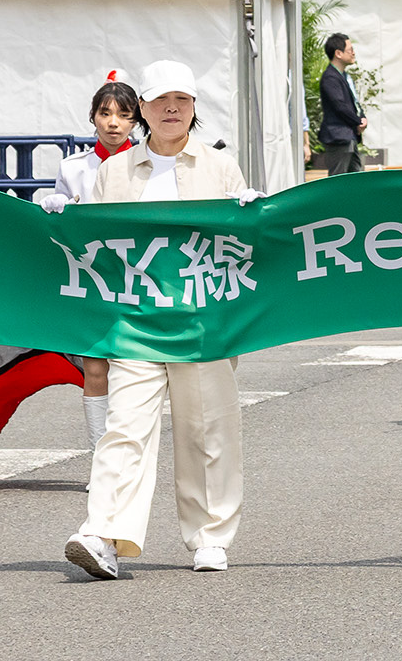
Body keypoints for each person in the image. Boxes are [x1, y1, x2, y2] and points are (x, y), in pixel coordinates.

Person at [62, 60, 262, 582]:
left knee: (208, 432)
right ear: (143, 109)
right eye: (160, 101)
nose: (172, 109)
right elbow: (92, 248)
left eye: (183, 100)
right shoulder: (114, 172)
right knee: (124, 428)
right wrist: (61, 216)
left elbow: (246, 244)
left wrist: (252, 212)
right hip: (136, 323)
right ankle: (103, 534)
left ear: (194, 107)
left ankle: (210, 537)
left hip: (204, 324)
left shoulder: (221, 168)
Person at [49, 74, 142, 450]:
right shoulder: (73, 168)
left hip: (141, 279)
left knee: (135, 371)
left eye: (124, 115)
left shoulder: (151, 164)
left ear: (136, 120)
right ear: (93, 117)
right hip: (92, 280)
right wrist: (53, 207)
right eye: (105, 113)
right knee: (95, 367)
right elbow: (56, 226)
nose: (114, 123)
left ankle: (131, 455)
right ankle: (101, 457)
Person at [316, 33, 367, 175]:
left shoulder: (344, 76)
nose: (353, 53)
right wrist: (358, 121)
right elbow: (340, 106)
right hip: (338, 137)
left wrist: (362, 117)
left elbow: (353, 103)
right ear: (338, 53)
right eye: (350, 50)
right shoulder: (330, 78)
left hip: (348, 136)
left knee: (355, 176)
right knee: (338, 178)